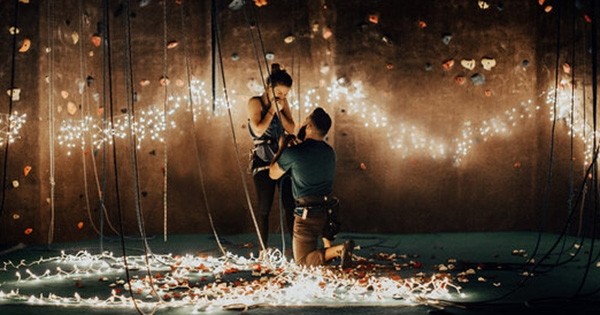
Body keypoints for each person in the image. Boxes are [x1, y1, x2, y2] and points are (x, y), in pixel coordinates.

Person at [269, 107, 354, 268]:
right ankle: (330, 252)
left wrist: (282, 148)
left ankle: (339, 250)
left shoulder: (293, 153)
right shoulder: (330, 152)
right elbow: (311, 162)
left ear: (308, 126)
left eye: (305, 120)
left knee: (302, 263)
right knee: (318, 255)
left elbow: (273, 174)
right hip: (327, 213)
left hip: (306, 216)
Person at [247, 63, 296, 248]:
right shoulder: (255, 102)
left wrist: (281, 111)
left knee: (290, 205)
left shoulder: (282, 102)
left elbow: (292, 128)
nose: (282, 97)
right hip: (262, 159)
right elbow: (258, 130)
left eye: (285, 94)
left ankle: (296, 248)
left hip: (282, 156)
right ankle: (263, 249)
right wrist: (272, 110)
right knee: (264, 208)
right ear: (268, 88)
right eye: (279, 93)